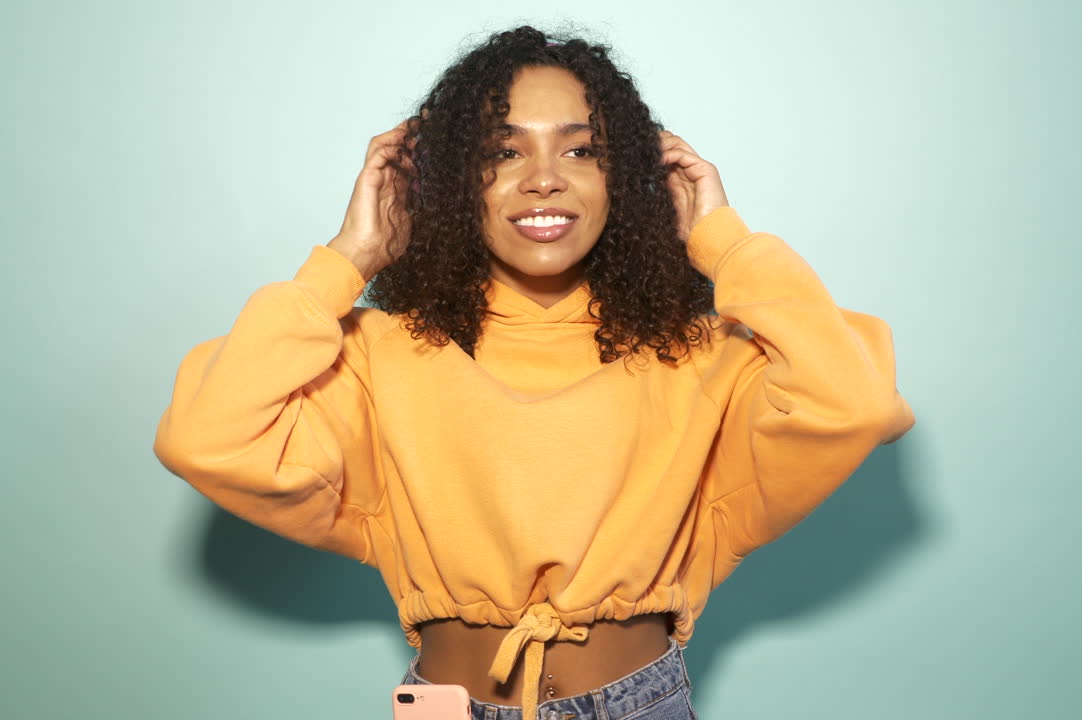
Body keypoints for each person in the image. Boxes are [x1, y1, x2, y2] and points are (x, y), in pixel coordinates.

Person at [153, 24, 916, 720]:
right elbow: (205, 438)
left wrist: (728, 245)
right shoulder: (373, 354)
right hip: (444, 706)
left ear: (625, 179)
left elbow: (853, 402)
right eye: (502, 151)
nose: (544, 178)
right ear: (452, 182)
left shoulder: (699, 352)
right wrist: (346, 260)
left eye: (581, 150)